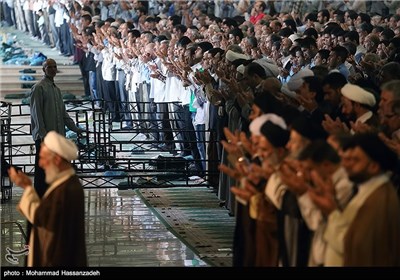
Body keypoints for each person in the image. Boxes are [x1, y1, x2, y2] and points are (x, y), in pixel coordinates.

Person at [8, 131, 87, 267]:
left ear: (56, 159)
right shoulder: (62, 184)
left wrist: (27, 188)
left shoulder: (68, 189)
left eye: (43, 158)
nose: (40, 164)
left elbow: (43, 219)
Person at [30, 58, 84, 198]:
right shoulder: (39, 87)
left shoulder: (56, 90)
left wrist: (75, 128)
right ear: (44, 69)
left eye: (54, 67)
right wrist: (42, 134)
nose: (53, 69)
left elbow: (63, 113)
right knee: (42, 168)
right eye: (49, 67)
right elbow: (37, 113)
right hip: (45, 136)